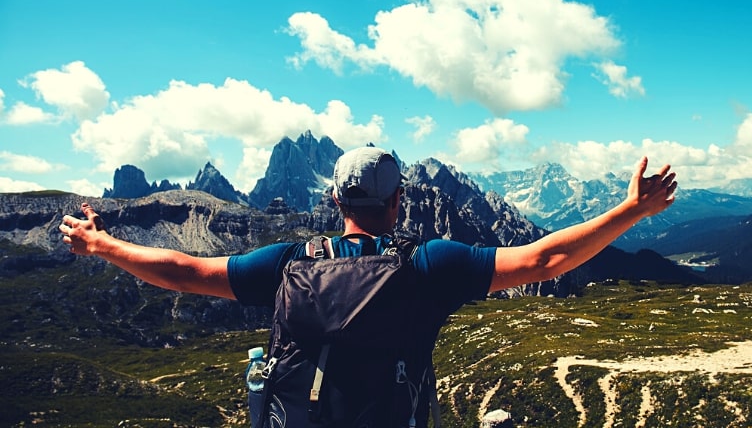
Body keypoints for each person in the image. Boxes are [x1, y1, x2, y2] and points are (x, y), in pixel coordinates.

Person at [61, 146, 677, 424]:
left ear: (334, 201)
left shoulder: (288, 263)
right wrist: (631, 212)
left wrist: (101, 243)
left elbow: (187, 272)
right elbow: (547, 259)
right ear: (399, 201)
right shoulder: (430, 264)